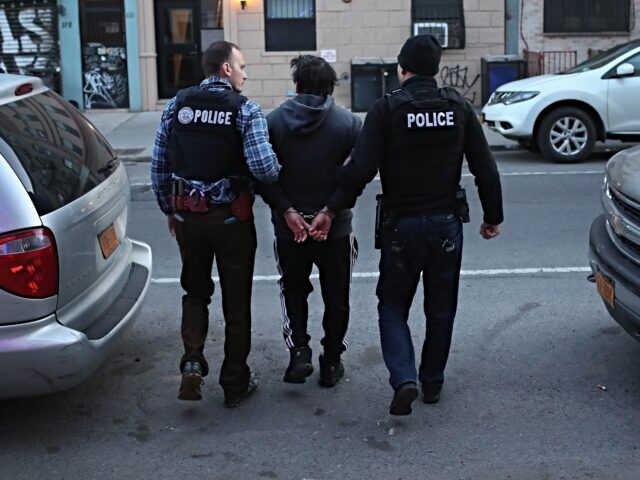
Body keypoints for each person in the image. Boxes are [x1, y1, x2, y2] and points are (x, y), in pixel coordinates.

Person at [321, 35, 503, 415]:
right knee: (441, 309)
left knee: (391, 304)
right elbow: (485, 166)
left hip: (400, 227)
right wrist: (492, 217)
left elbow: (360, 170)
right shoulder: (459, 107)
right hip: (446, 226)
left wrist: (330, 208)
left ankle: (404, 378)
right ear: (436, 70)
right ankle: (432, 383)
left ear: (402, 70)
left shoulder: (387, 110)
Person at [151, 41, 281, 407]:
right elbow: (264, 168)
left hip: (188, 219)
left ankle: (192, 360)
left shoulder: (177, 104)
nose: (244, 73)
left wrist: (170, 210)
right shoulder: (245, 110)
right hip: (231, 221)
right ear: (226, 69)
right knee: (236, 302)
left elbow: (160, 164)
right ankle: (234, 382)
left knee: (195, 291)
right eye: (241, 66)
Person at [258, 55, 362, 387]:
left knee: (292, 289)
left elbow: (261, 176)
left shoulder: (272, 122)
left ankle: (299, 352)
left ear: (297, 85)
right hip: (335, 228)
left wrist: (287, 211)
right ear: (330, 87)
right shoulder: (348, 124)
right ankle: (331, 361)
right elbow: (356, 176)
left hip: (290, 230)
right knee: (337, 295)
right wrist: (329, 212)